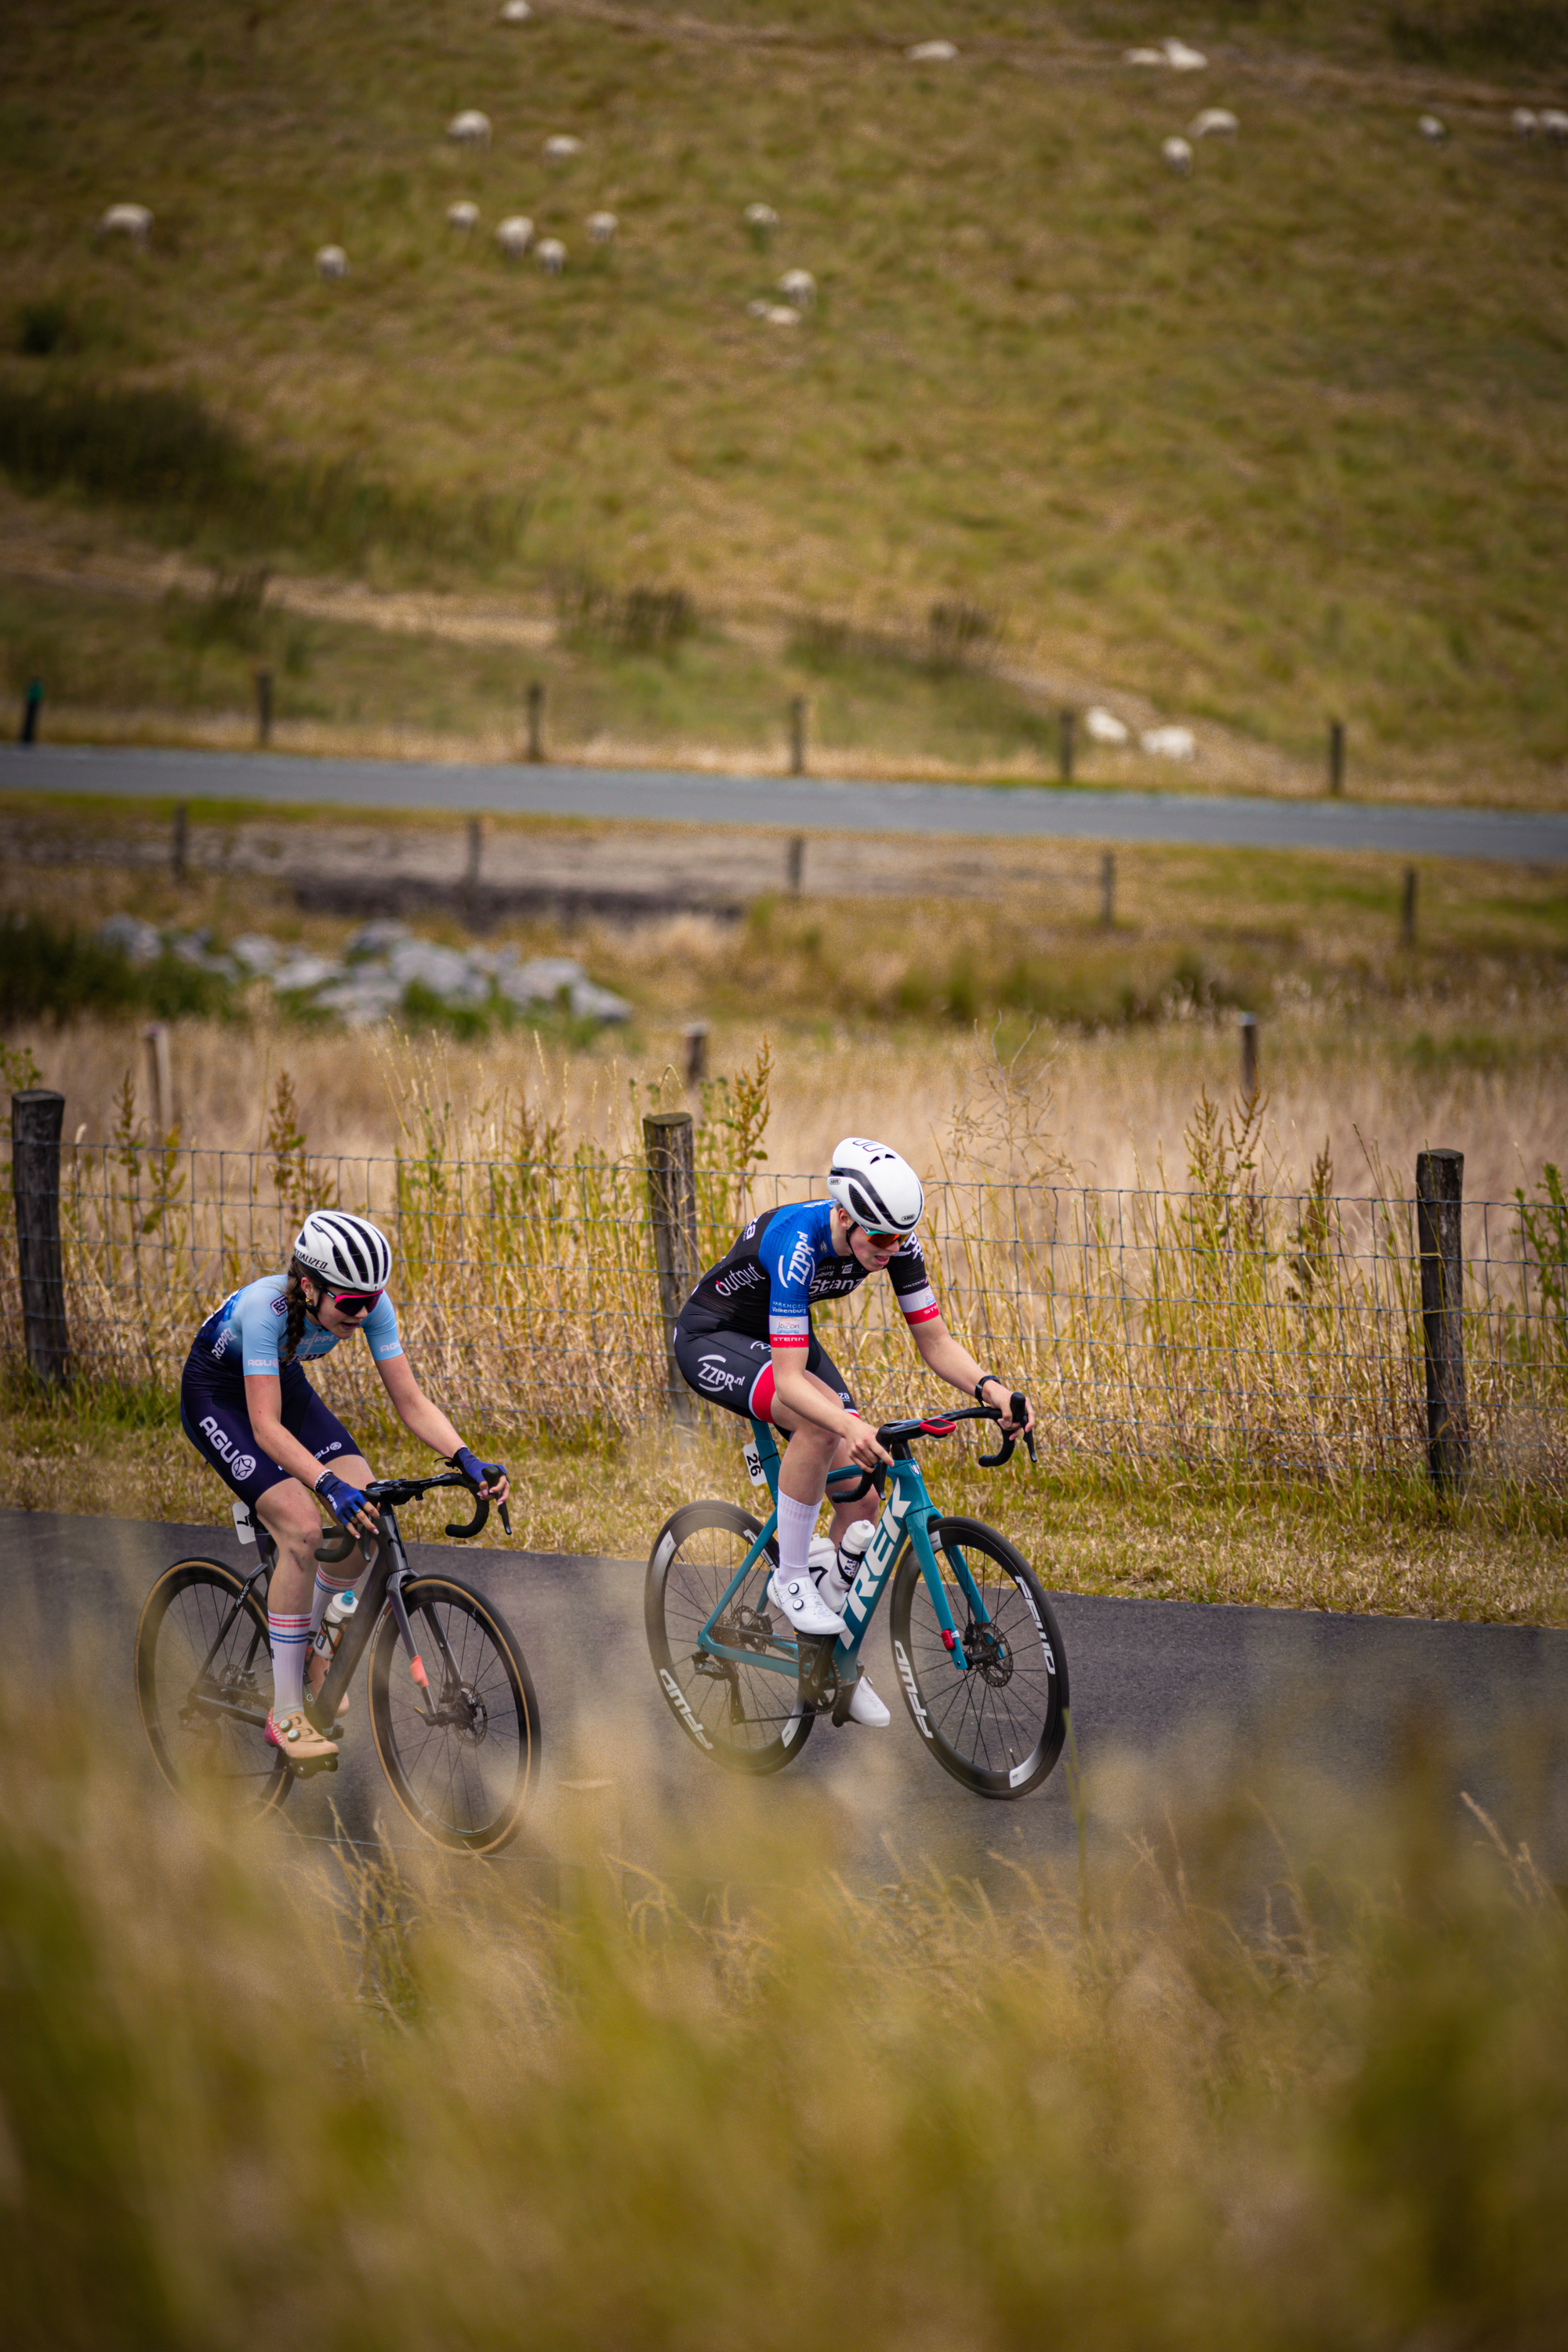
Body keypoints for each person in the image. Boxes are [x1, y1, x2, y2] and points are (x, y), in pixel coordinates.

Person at [673, 1137, 1031, 1728]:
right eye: (881, 1238)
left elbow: (935, 1341)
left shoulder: (892, 1238)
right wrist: (844, 1421)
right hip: (715, 1337)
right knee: (820, 1425)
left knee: (863, 1498)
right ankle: (791, 1579)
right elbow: (790, 1383)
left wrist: (992, 1391)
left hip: (776, 1335)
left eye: (901, 1238)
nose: (891, 1251)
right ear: (843, 1214)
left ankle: (831, 1662)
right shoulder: (797, 1242)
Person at [180, 1209, 509, 1765]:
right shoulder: (266, 1309)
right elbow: (265, 1429)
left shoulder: (367, 1304)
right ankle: (285, 1713)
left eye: (371, 1301)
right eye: (350, 1304)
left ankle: (315, 1644)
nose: (362, 1313)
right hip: (219, 1398)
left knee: (370, 1514)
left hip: (282, 1383)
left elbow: (411, 1402)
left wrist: (466, 1458)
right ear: (308, 1287)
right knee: (303, 1529)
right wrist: (325, 1484)